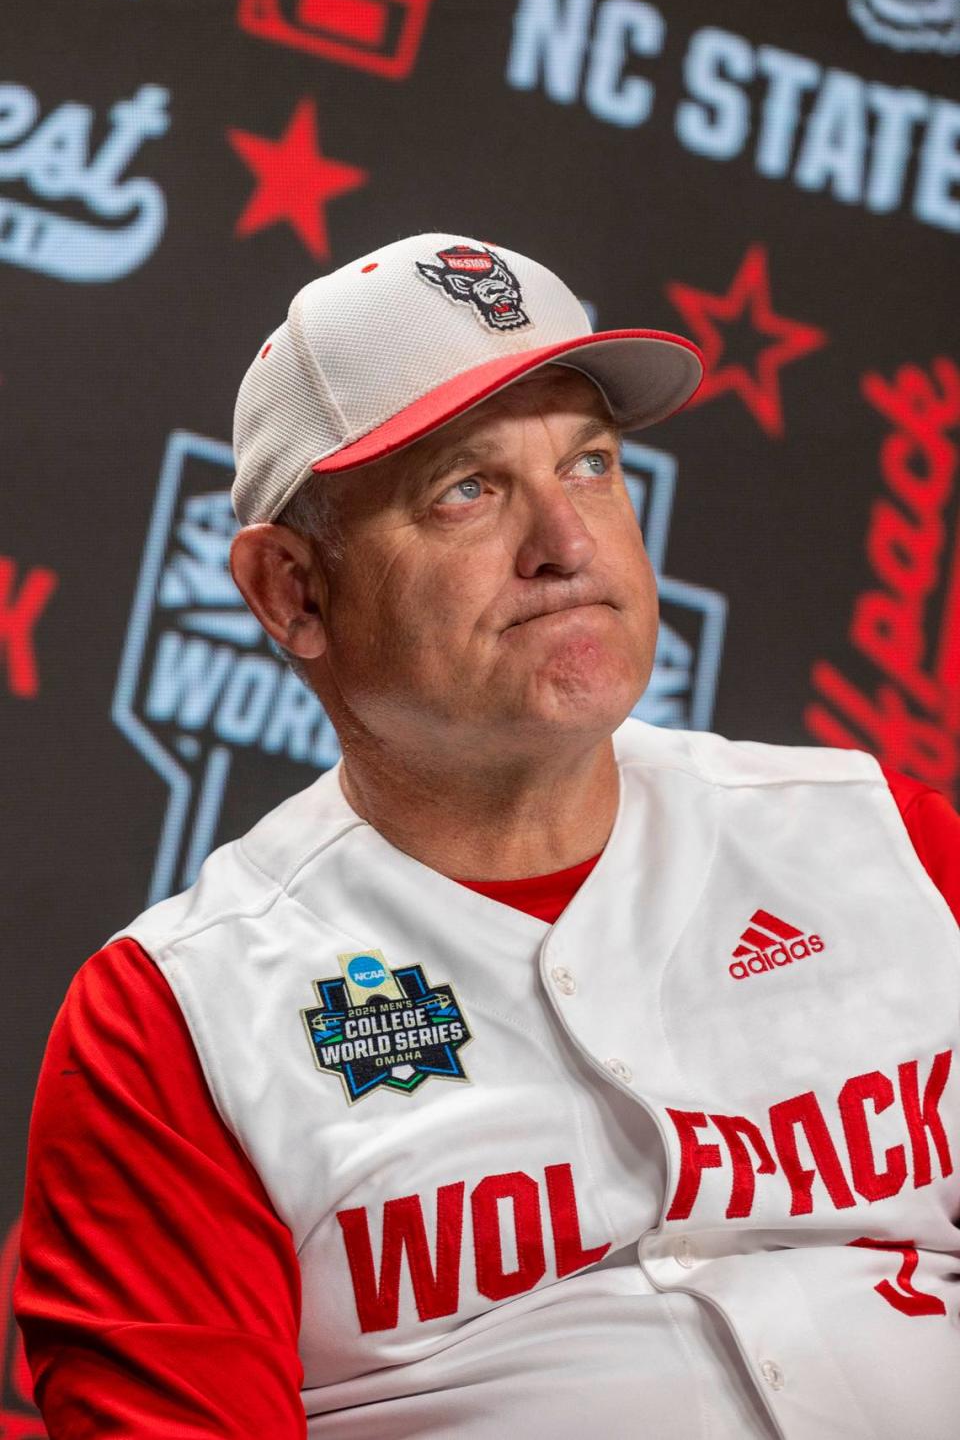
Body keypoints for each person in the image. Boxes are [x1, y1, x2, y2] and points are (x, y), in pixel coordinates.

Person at [13, 233, 960, 1439]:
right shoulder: (175, 1024)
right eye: (468, 487)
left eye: (592, 465)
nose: (568, 544)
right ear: (292, 591)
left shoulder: (887, 840)